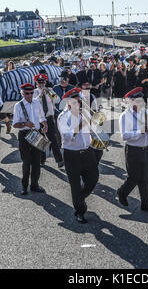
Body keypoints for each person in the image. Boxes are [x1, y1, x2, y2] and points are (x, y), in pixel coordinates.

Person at [58, 88, 99, 224]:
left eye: (79, 102)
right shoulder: (63, 117)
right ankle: (80, 211)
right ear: (68, 103)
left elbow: (93, 129)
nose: (79, 105)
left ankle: (79, 199)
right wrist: (80, 125)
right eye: (76, 102)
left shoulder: (84, 112)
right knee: (75, 185)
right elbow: (68, 137)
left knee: (93, 179)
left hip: (87, 152)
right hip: (71, 155)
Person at [117, 87, 148, 213]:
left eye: (142, 101)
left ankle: (145, 203)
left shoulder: (146, 112)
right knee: (134, 177)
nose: (141, 104)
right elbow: (124, 136)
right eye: (138, 101)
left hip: (146, 149)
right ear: (131, 102)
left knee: (146, 178)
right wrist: (139, 131)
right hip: (133, 150)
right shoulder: (124, 116)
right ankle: (122, 192)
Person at [13, 83, 49, 195]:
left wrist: (45, 124)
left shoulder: (37, 102)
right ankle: (24, 186)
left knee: (37, 162)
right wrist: (25, 123)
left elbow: (41, 116)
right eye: (27, 93)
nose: (30, 95)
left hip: (36, 133)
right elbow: (14, 124)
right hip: (24, 135)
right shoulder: (18, 106)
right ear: (22, 93)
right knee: (26, 162)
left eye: (32, 93)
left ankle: (35, 185)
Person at [34, 74, 64, 168]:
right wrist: (41, 95)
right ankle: (42, 160)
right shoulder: (34, 92)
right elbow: (33, 102)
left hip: (49, 117)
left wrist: (50, 94)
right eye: (39, 82)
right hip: (39, 118)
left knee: (53, 139)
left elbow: (58, 100)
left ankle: (59, 160)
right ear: (36, 83)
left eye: (43, 82)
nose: (41, 84)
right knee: (41, 140)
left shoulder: (50, 90)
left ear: (45, 82)